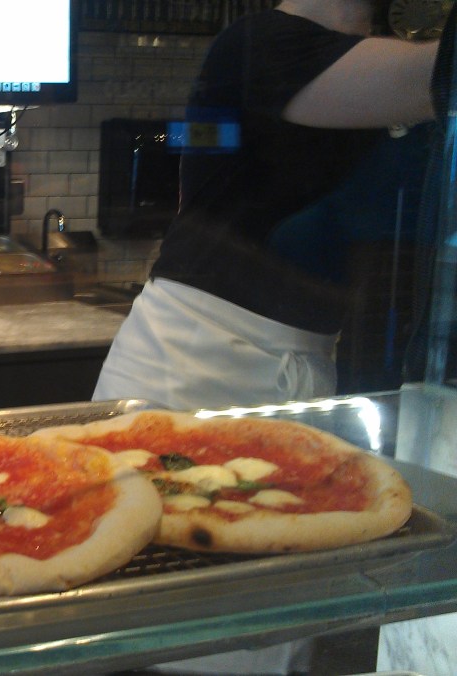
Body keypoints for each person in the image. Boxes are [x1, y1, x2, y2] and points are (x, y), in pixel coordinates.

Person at [93, 0, 443, 413]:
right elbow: (435, 76)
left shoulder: (371, 53)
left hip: (305, 364)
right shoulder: (259, 41)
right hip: (189, 365)